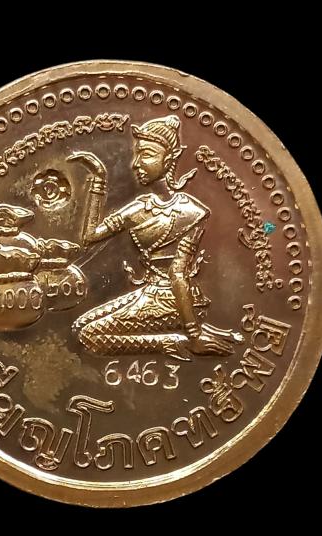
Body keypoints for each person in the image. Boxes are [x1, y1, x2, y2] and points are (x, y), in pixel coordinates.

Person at [72, 115, 243, 360]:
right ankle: (179, 338)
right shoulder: (139, 208)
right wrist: (99, 180)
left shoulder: (192, 212)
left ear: (169, 160)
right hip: (151, 293)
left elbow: (178, 274)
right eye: (137, 154)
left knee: (88, 335)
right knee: (78, 326)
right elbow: (90, 236)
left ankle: (173, 342)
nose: (135, 163)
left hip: (173, 302)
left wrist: (193, 333)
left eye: (147, 154)